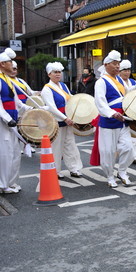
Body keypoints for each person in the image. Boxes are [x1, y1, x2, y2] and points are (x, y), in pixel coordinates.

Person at [91, 50, 136, 188]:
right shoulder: (101, 82)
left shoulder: (119, 80)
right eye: (115, 64)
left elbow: (125, 95)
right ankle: (110, 176)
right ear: (106, 65)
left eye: (118, 64)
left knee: (129, 148)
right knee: (108, 152)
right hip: (109, 121)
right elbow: (100, 102)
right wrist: (111, 113)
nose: (117, 67)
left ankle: (122, 171)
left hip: (122, 120)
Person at [41, 62, 84, 178]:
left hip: (68, 120)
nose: (58, 74)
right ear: (49, 74)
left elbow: (71, 100)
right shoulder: (47, 89)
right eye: (55, 72)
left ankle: (74, 168)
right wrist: (65, 118)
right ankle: (55, 171)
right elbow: (51, 107)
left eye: (59, 72)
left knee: (70, 144)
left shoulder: (64, 86)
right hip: (56, 122)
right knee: (56, 147)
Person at [1, 48, 34, 193]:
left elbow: (17, 103)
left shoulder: (7, 79)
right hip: (3, 123)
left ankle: (11, 182)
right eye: (9, 62)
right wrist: (7, 119)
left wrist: (31, 110)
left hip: (12, 120)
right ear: (2, 64)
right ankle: (3, 184)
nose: (12, 64)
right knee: (5, 153)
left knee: (14, 153)